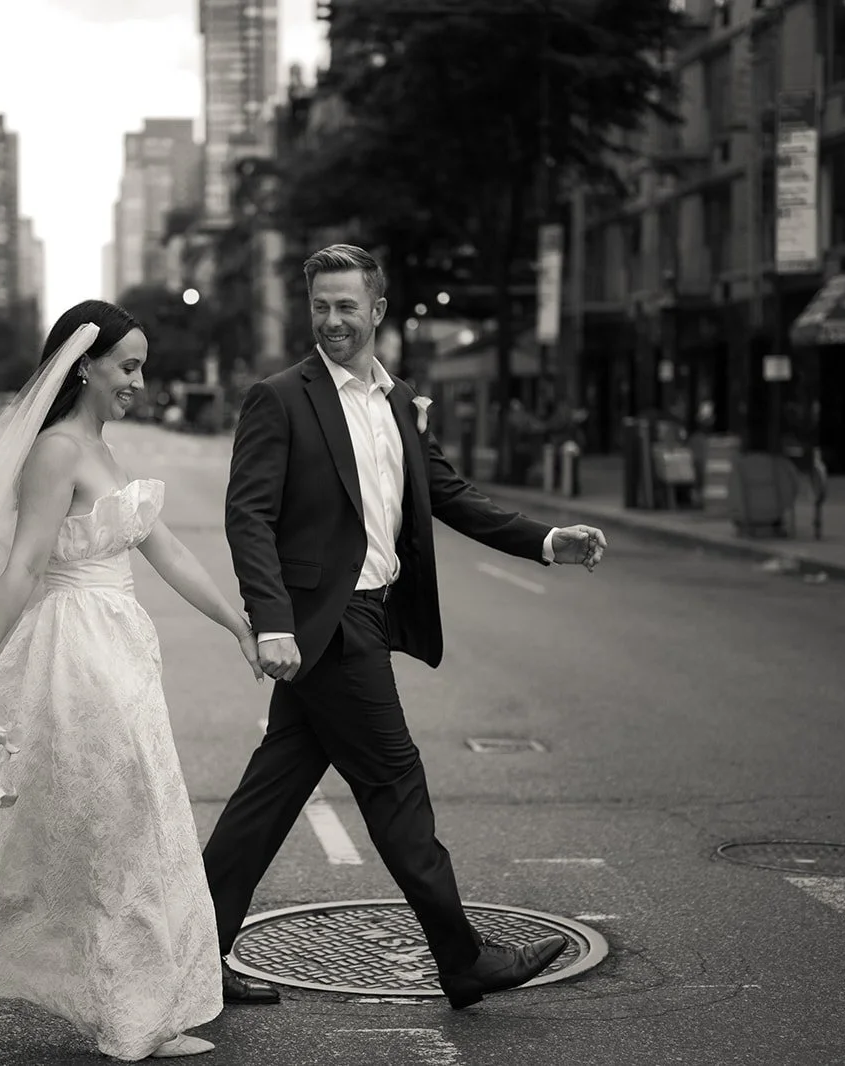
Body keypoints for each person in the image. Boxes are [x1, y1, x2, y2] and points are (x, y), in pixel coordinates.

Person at [0, 300, 261, 1060]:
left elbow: (167, 554)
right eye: (128, 366)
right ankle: (122, 1014)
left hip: (122, 648)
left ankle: (129, 1009)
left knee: (102, 822)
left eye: (142, 367)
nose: (139, 381)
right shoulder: (58, 450)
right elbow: (26, 563)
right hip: (75, 652)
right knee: (115, 820)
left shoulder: (105, 451)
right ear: (83, 364)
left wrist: (238, 624)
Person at [203, 244, 608, 1011]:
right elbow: (248, 515)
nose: (332, 321)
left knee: (272, 793)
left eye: (347, 306)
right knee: (394, 786)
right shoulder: (280, 397)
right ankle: (463, 960)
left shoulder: (397, 400)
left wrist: (547, 542)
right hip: (332, 626)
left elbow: (448, 494)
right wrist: (273, 622)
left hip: (368, 616)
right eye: (320, 305)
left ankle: (186, 951)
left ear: (378, 311)